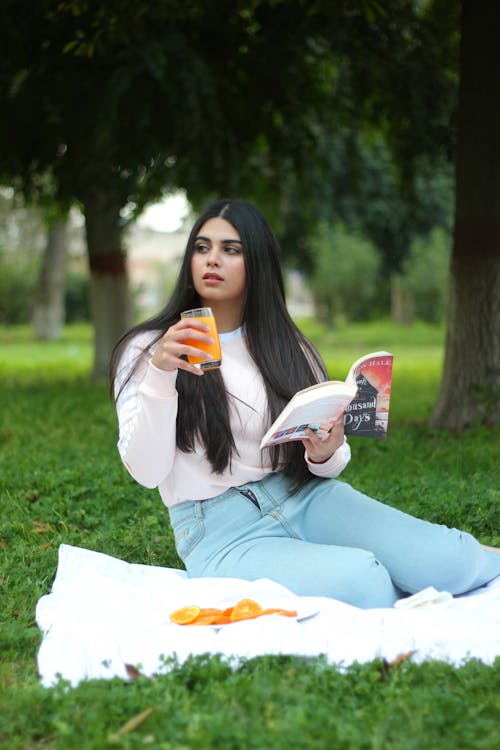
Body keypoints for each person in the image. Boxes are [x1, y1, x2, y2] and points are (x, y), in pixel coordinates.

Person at [110, 198, 500, 609]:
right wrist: (161, 374)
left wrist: (326, 451)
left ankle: (443, 569)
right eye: (202, 247)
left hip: (305, 496)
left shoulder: (288, 347)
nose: (212, 260)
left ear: (257, 261)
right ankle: (399, 586)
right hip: (219, 529)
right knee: (364, 581)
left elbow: (327, 460)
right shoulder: (149, 349)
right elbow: (147, 471)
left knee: (450, 560)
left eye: (231, 249)